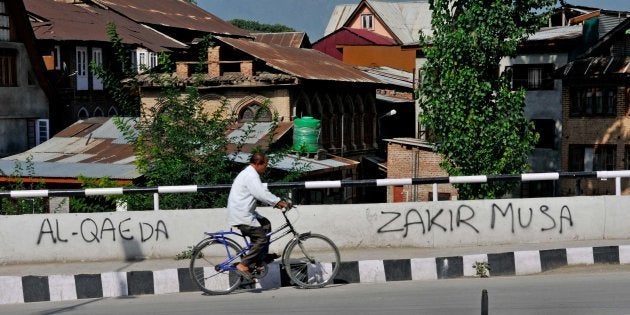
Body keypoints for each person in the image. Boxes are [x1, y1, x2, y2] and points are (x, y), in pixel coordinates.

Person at [227, 152, 289, 279]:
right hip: (242, 214)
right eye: (265, 165)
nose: (266, 167)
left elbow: (261, 190)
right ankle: (243, 265)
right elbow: (260, 194)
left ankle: (260, 258)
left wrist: (276, 201)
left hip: (243, 211)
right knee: (261, 239)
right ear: (258, 163)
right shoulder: (251, 175)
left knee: (266, 224)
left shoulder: (250, 173)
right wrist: (278, 202)